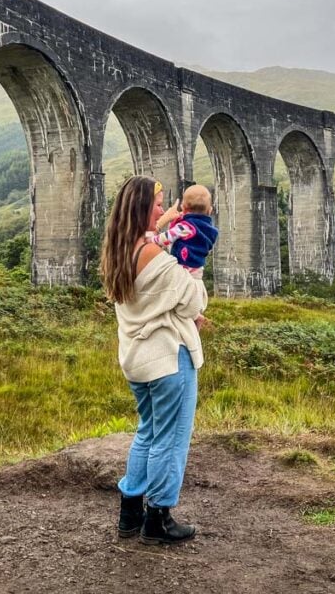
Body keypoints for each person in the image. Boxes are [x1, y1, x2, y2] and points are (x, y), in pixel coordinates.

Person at [100, 176, 206, 545]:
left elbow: (150, 234)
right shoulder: (155, 257)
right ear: (142, 207)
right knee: (171, 439)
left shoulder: (120, 248)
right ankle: (159, 518)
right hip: (168, 359)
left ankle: (130, 513)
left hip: (137, 360)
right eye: (159, 204)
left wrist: (166, 222)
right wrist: (195, 267)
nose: (164, 211)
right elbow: (194, 302)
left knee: (147, 432)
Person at [150, 183, 218, 321]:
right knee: (191, 312)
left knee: (179, 308)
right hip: (197, 275)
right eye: (159, 205)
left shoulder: (185, 227)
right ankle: (196, 319)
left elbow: (166, 238)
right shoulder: (208, 230)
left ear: (183, 208)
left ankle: (194, 319)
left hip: (183, 275)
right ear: (210, 210)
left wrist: (151, 239)